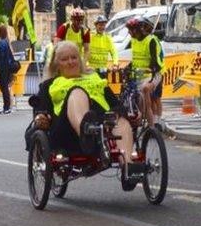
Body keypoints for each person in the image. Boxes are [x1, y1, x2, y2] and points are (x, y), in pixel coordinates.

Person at [30, 41, 142, 187]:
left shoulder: (95, 78)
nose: (71, 62)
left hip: (103, 123)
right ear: (57, 65)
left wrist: (130, 114)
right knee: (77, 92)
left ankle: (127, 166)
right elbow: (41, 109)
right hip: (68, 128)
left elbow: (115, 104)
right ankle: (86, 133)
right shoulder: (49, 84)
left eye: (74, 57)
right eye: (65, 59)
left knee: (118, 118)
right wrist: (41, 117)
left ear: (80, 59)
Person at [126, 16, 164, 129]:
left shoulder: (151, 41)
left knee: (148, 93)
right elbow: (136, 58)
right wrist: (128, 67)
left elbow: (156, 61)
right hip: (140, 74)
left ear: (138, 30)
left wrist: (151, 69)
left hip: (154, 74)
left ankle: (154, 125)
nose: (129, 32)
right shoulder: (133, 40)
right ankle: (144, 120)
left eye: (131, 30)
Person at [0, 24, 15, 115]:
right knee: (5, 87)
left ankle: (6, 107)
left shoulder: (1, 43)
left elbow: (1, 57)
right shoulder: (5, 42)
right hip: (5, 68)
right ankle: (6, 106)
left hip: (3, 69)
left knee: (4, 87)